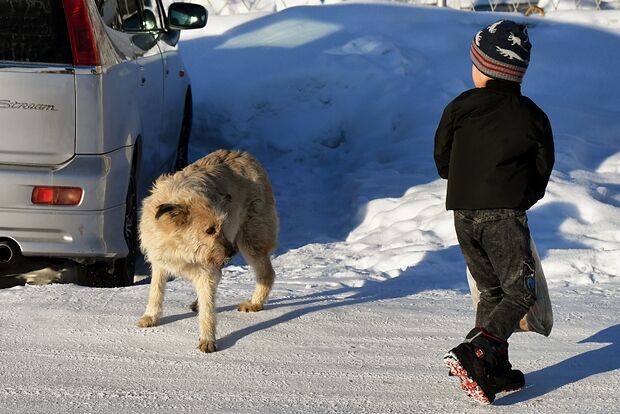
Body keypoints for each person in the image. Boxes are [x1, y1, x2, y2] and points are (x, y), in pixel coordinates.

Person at [433, 19, 554, 404]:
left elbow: (442, 159)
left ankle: (492, 369)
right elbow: (541, 170)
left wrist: (466, 182)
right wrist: (518, 200)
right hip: (504, 215)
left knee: (492, 291)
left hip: (463, 213)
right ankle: (477, 352)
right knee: (521, 294)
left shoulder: (460, 107)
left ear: (482, 66)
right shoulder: (532, 116)